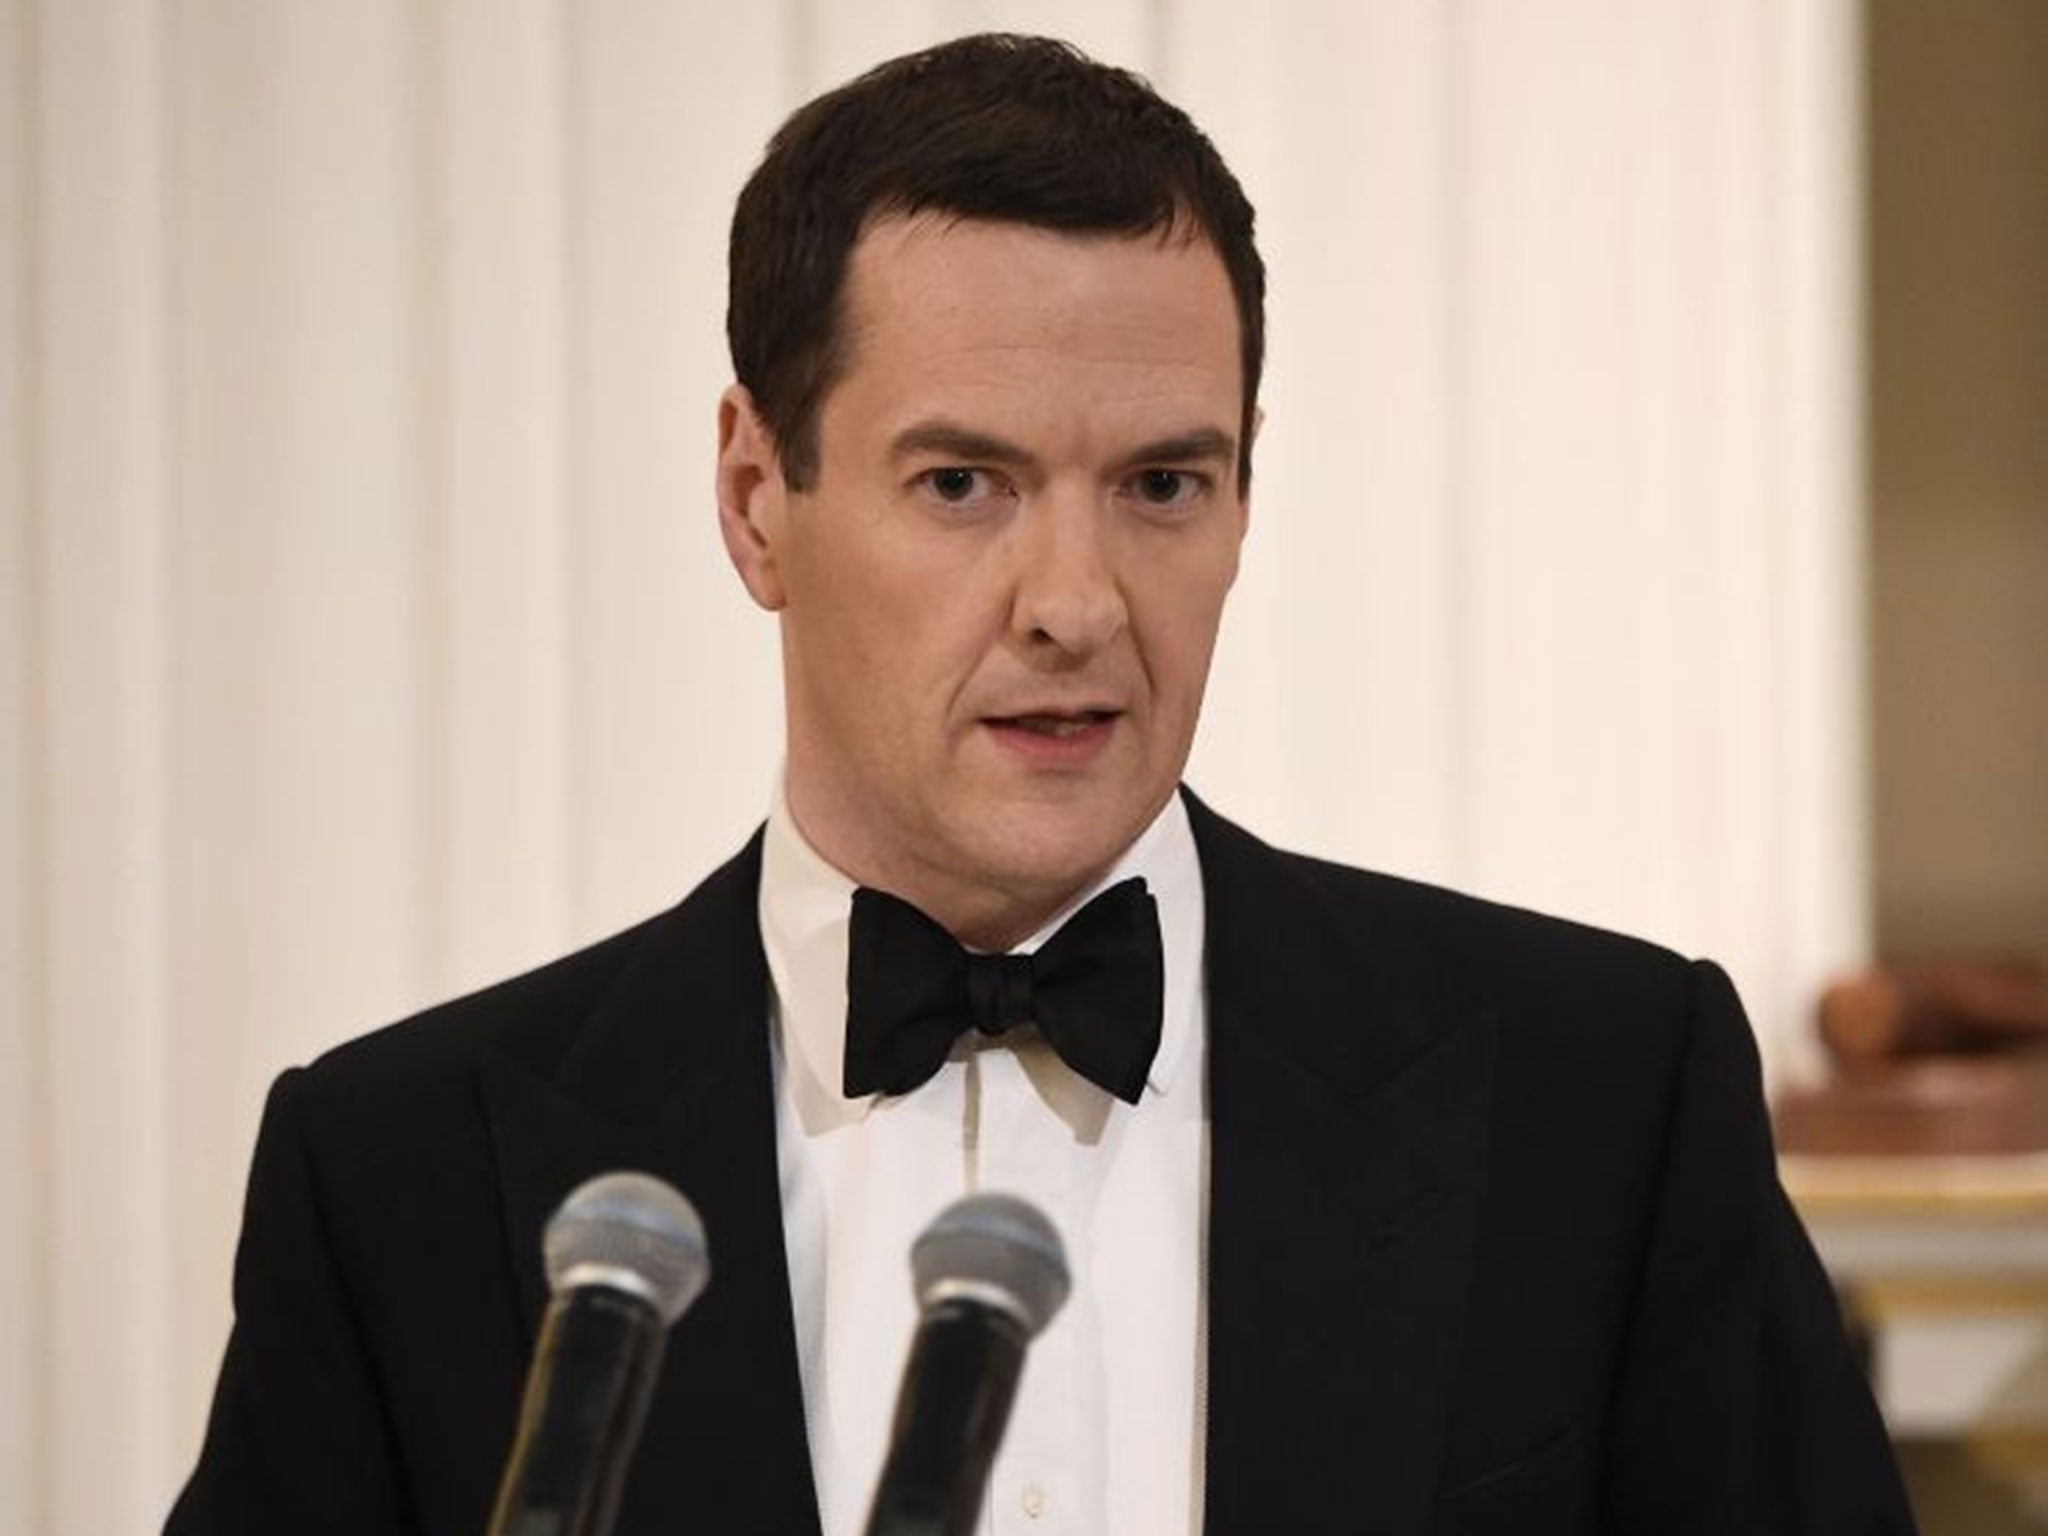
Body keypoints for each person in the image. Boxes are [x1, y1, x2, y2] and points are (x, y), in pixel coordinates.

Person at [167, 33, 1916, 1536]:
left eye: (1163, 484)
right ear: (755, 494)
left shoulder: (1602, 1101)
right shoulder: (396, 1177)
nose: (1077, 604)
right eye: (963, 484)